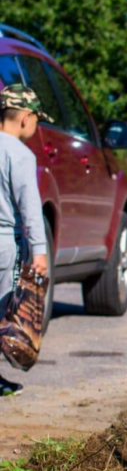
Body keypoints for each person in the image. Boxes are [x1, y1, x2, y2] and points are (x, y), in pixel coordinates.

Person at [0, 84, 50, 397]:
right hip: (4, 241)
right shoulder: (20, 154)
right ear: (25, 118)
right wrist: (40, 252)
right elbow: (30, 207)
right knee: (3, 309)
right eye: (36, 120)